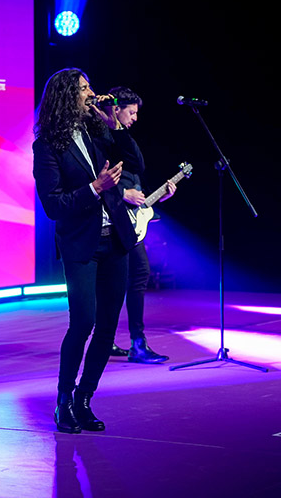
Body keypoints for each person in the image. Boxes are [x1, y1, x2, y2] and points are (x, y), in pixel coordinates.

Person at [32, 69, 144, 433]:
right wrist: (95, 188)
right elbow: (53, 205)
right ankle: (64, 400)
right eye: (84, 89)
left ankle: (84, 398)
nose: (91, 93)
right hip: (82, 243)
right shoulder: (47, 145)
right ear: (67, 96)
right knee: (83, 322)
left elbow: (137, 164)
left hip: (116, 240)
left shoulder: (98, 131)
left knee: (108, 327)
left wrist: (115, 126)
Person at [106, 87, 175, 364]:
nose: (135, 118)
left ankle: (121, 341)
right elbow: (91, 176)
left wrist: (157, 196)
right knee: (126, 278)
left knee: (132, 277)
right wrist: (123, 194)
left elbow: (136, 172)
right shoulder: (101, 136)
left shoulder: (124, 138)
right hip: (111, 220)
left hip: (129, 220)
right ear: (116, 109)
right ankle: (134, 344)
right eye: (131, 112)